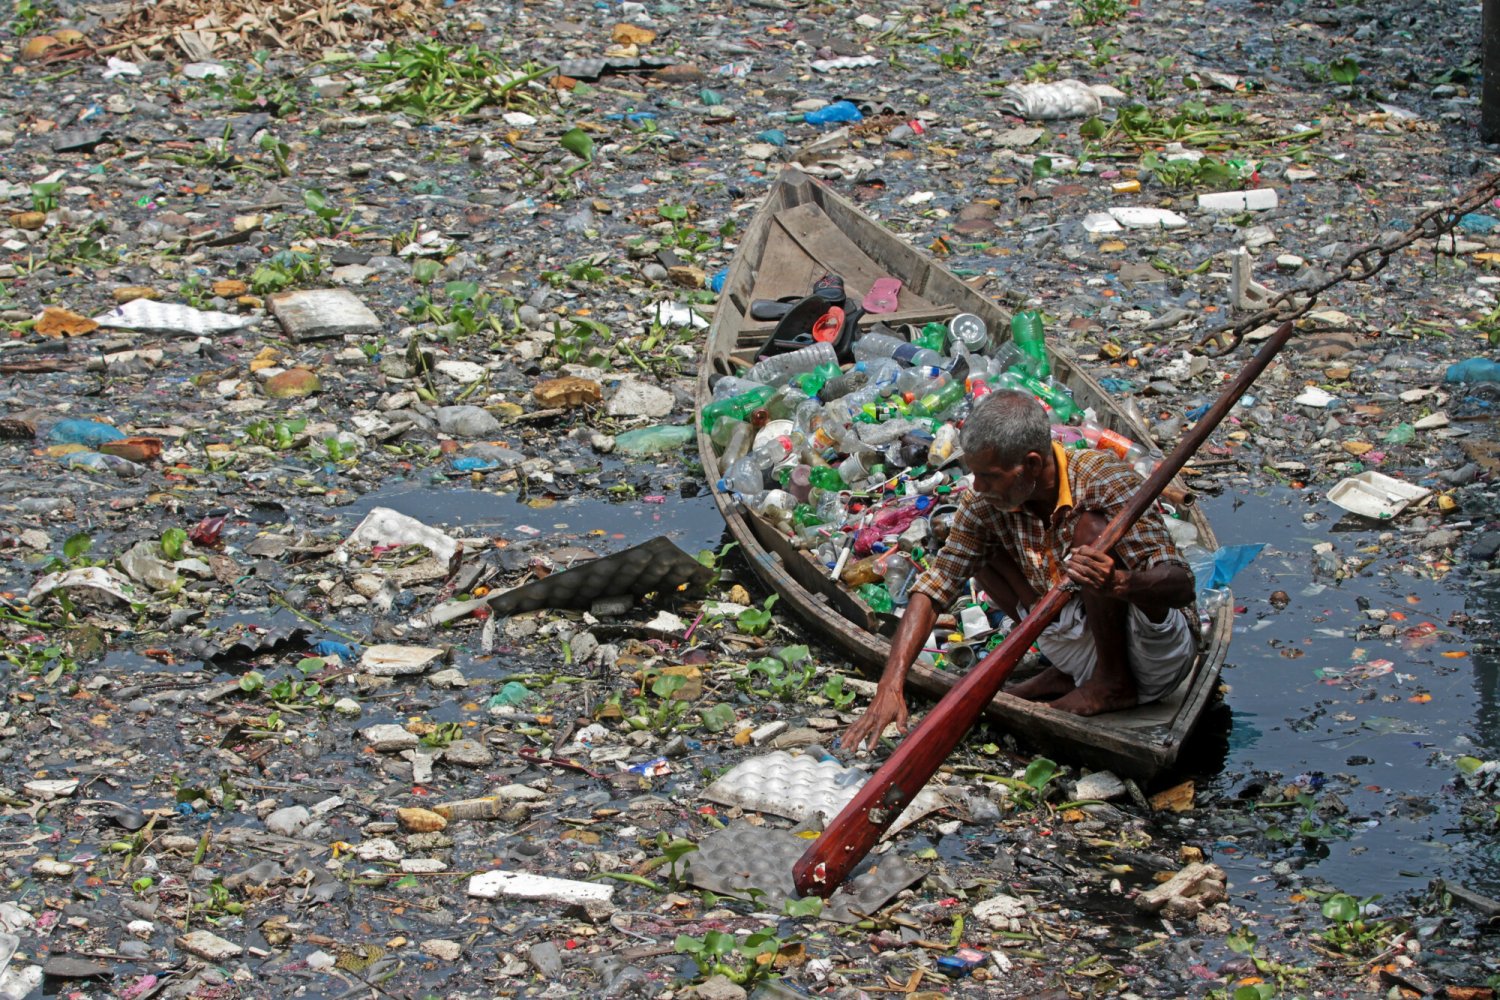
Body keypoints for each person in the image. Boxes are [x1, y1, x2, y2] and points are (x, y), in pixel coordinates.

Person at [841, 389, 1197, 752]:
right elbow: (937, 585)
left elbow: (1182, 586)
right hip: (1075, 636)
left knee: (1092, 532)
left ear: (1030, 464)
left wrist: (1119, 582)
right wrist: (891, 685)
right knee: (979, 555)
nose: (978, 487)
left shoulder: (1102, 478)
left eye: (990, 476)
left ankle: (1111, 681)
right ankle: (1072, 672)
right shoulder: (984, 502)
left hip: (1154, 654)